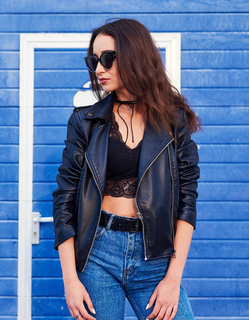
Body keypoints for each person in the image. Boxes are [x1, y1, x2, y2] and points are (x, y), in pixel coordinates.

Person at [52, 19, 201, 320]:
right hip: (98, 254)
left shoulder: (173, 121)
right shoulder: (85, 122)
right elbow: (64, 199)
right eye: (93, 61)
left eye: (108, 58)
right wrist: (70, 280)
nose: (98, 69)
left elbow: (187, 200)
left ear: (134, 54)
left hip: (155, 257)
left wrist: (173, 279)